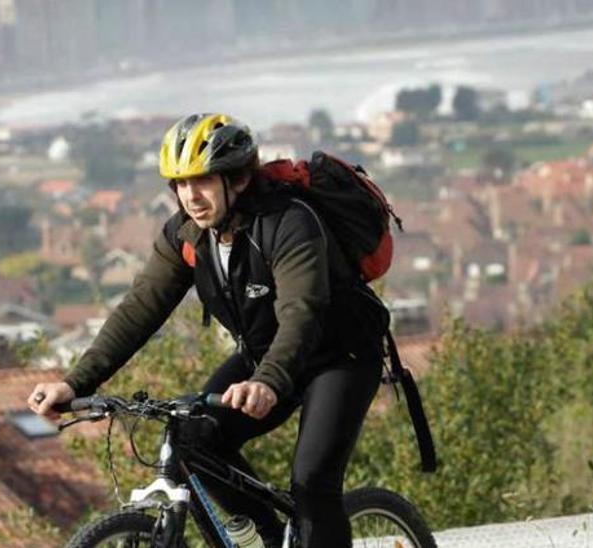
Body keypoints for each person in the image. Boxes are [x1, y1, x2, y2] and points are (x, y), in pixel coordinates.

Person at [27, 112, 390, 547]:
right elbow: (140, 308)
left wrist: (267, 382)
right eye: (179, 184)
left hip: (339, 357)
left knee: (312, 484)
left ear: (236, 179)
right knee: (195, 439)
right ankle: (269, 541)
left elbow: (302, 313)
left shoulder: (287, 222)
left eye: (201, 181)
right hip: (264, 357)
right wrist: (74, 382)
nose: (190, 196)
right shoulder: (187, 235)